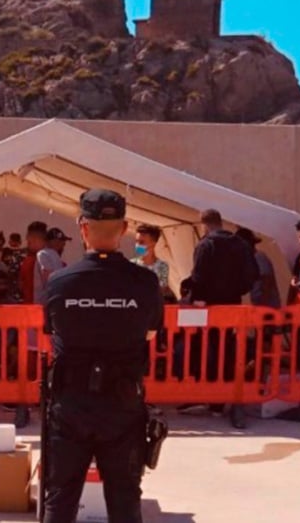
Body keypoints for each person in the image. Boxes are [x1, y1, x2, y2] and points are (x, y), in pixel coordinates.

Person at [40, 188, 162, 523]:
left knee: (61, 498)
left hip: (71, 404)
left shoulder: (60, 282)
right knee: (124, 500)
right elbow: (150, 334)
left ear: (83, 227)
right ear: (124, 229)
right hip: (123, 405)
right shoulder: (145, 283)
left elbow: (52, 333)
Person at [188, 209, 258, 306]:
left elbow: (198, 275)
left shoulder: (206, 245)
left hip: (210, 303)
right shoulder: (240, 243)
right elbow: (252, 273)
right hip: (234, 300)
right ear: (220, 222)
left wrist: (197, 296)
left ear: (205, 225)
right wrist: (239, 290)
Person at [235, 227, 281, 309]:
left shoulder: (259, 257)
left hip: (267, 307)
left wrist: (263, 305)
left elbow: (266, 280)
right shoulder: (251, 259)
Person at [132, 224, 174, 302]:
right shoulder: (131, 265)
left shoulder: (162, 266)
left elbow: (161, 289)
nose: (137, 245)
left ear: (153, 243)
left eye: (141, 242)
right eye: (136, 241)